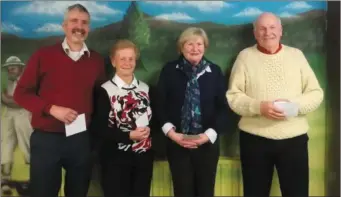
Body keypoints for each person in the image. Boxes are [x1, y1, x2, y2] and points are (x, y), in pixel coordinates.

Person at [226, 12, 324, 197]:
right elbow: (233, 97)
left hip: (294, 140)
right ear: (255, 33)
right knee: (255, 193)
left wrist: (293, 106)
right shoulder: (245, 57)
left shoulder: (297, 56)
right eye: (262, 28)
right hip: (254, 140)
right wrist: (259, 107)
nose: (267, 32)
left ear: (280, 31)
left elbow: (316, 93)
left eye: (272, 28)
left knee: (297, 193)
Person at [13, 4, 106, 197]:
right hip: (47, 140)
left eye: (84, 23)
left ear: (89, 28)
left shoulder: (96, 61)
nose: (79, 27)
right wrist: (51, 108)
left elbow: (99, 99)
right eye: (74, 21)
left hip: (80, 140)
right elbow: (21, 93)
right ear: (64, 26)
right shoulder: (43, 55)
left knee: (78, 192)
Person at [155, 27, 229, 197]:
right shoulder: (169, 70)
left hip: (207, 145)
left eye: (199, 44)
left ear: (205, 47)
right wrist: (171, 133)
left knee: (205, 192)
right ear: (181, 47)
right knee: (182, 192)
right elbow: (159, 104)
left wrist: (208, 135)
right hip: (177, 143)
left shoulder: (215, 72)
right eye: (190, 44)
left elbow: (223, 108)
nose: (195, 48)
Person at [92, 39, 153, 197]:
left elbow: (154, 120)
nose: (127, 63)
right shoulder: (103, 90)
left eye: (131, 59)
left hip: (142, 159)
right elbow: (99, 128)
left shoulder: (146, 88)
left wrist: (148, 130)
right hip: (114, 160)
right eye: (122, 59)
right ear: (113, 61)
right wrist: (128, 135)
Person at [1, 56, 32, 195]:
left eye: (13, 67)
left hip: (23, 115)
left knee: (28, 146)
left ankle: (33, 180)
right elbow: (5, 99)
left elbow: (20, 101)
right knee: (5, 145)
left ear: (21, 68)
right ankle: (5, 181)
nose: (10, 70)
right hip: (9, 115)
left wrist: (8, 100)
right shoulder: (9, 81)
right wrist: (7, 100)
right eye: (9, 68)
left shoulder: (27, 81)